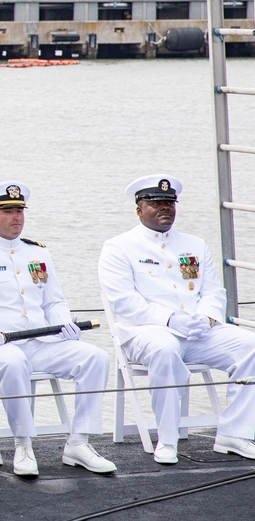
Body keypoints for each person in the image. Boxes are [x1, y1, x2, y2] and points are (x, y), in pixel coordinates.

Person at [0, 181, 116, 477]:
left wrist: (64, 323)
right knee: (13, 360)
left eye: (20, 210)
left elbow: (54, 301)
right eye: (8, 211)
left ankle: (79, 443)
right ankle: (23, 444)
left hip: (40, 343)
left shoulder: (38, 253)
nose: (16, 217)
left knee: (95, 357)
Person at [99, 174, 255, 464]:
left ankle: (235, 433)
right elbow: (125, 302)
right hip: (144, 333)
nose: (164, 208)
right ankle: (167, 439)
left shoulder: (194, 244)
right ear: (139, 209)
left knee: (251, 345)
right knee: (165, 348)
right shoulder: (119, 247)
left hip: (196, 331)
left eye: (169, 203)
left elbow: (213, 291)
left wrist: (208, 318)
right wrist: (171, 320)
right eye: (156, 203)